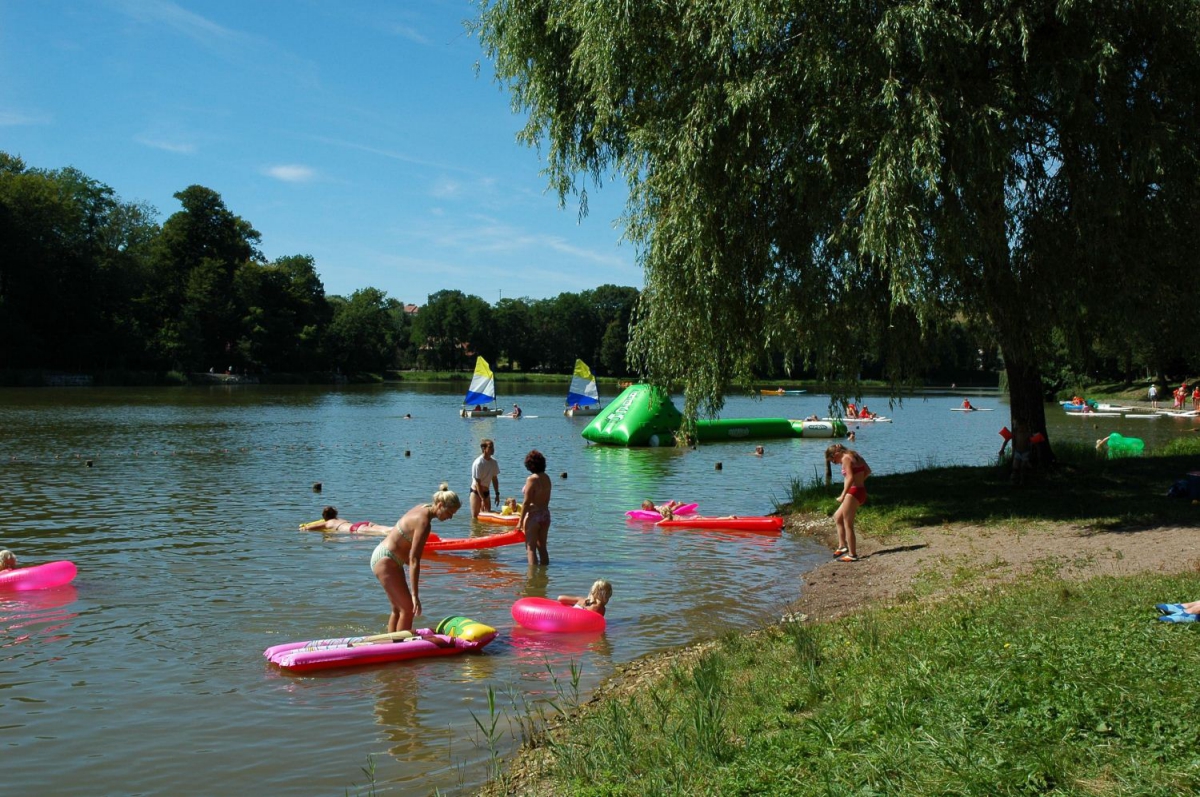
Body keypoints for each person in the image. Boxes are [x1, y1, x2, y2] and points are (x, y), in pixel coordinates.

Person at [371, 483, 461, 633]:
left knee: (398, 609)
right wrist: (415, 595)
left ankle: (391, 644)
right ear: (440, 505)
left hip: (386, 557)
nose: (450, 517)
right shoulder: (424, 522)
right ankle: (400, 648)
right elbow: (414, 559)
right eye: (450, 512)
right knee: (408, 609)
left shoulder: (423, 507)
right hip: (387, 560)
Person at [825, 443, 871, 562]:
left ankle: (852, 555)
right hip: (860, 491)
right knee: (837, 517)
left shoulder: (845, 458)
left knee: (848, 524)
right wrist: (859, 482)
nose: (836, 463)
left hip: (852, 493)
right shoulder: (856, 455)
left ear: (836, 454)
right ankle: (842, 546)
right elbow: (868, 471)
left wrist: (843, 495)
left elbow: (850, 478)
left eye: (834, 461)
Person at [516, 449, 552, 566]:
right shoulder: (547, 478)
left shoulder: (531, 479)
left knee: (530, 548)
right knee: (542, 547)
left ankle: (532, 580)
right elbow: (547, 500)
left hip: (534, 516)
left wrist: (520, 521)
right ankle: (543, 576)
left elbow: (526, 502)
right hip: (545, 515)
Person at [300, 506, 392, 534]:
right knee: (387, 529)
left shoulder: (328, 523)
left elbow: (308, 528)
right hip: (362, 523)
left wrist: (303, 527)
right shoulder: (340, 519)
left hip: (355, 529)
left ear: (324, 517)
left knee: (384, 532)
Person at [469, 439, 500, 518]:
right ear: (484, 449)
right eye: (490, 447)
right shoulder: (478, 463)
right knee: (475, 517)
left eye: (493, 447)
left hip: (486, 492)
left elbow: (494, 479)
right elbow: (477, 483)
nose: (493, 449)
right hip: (476, 492)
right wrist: (482, 499)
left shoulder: (494, 462)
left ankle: (485, 530)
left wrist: (497, 494)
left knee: (487, 516)